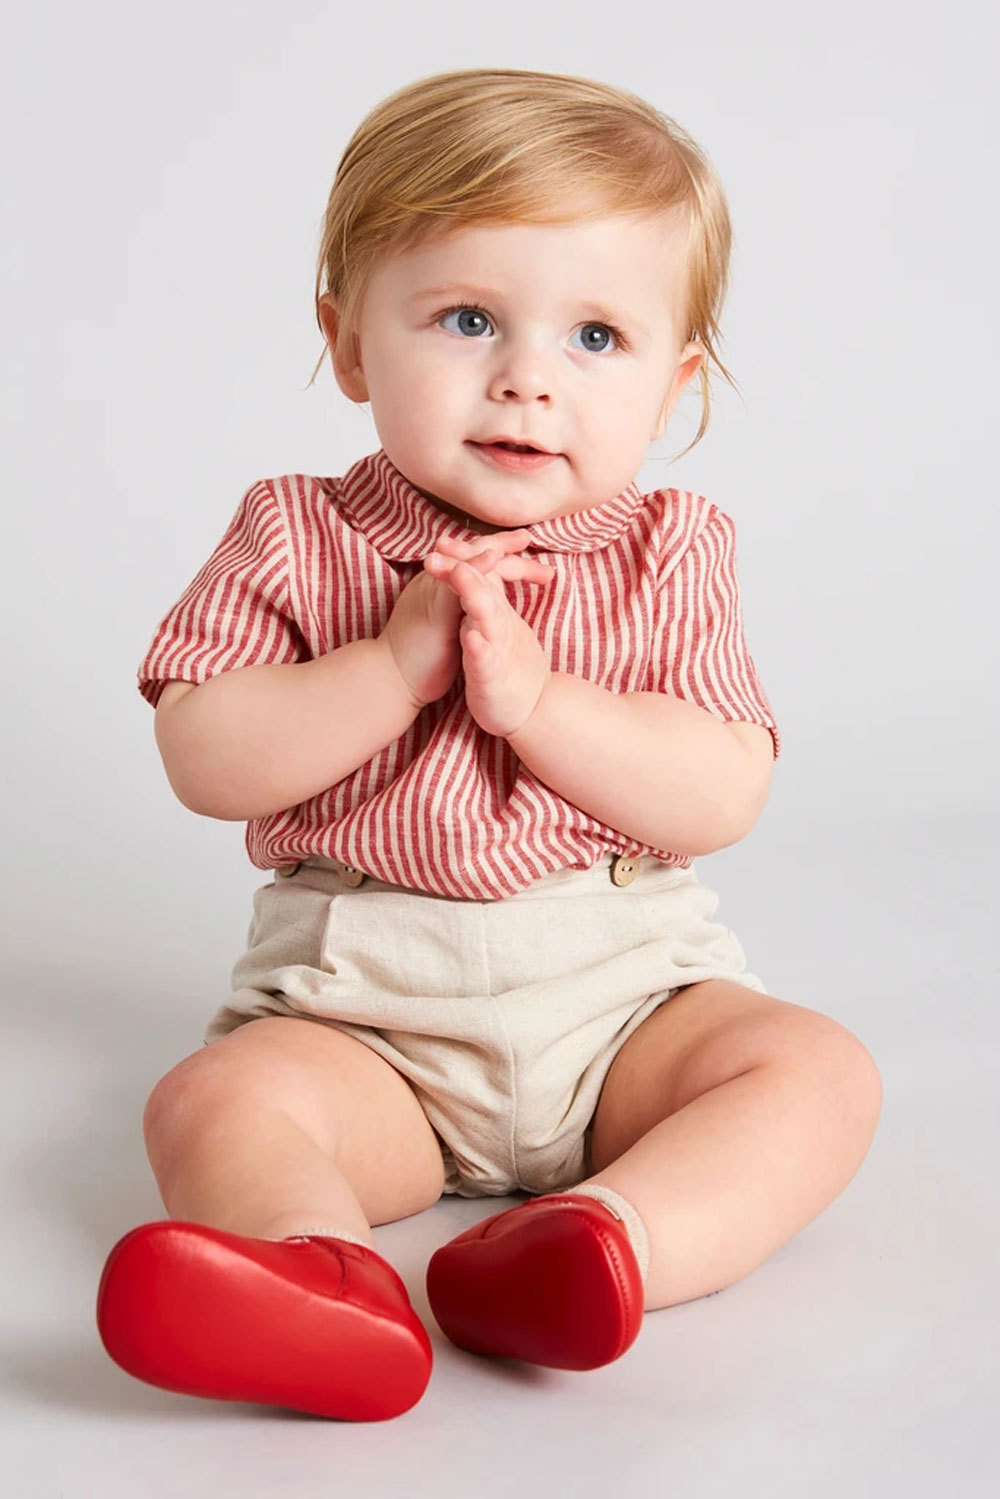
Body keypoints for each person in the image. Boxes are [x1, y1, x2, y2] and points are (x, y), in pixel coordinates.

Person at [96, 67, 882, 1422]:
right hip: (365, 1021)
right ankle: (319, 1280)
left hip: (623, 1004)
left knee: (816, 1076)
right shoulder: (296, 532)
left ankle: (597, 1250)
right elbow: (204, 758)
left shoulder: (672, 549)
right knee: (212, 1103)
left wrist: (543, 706)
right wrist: (388, 671)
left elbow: (721, 789)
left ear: (673, 384)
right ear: (350, 344)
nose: (527, 379)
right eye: (468, 320)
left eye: (597, 338)